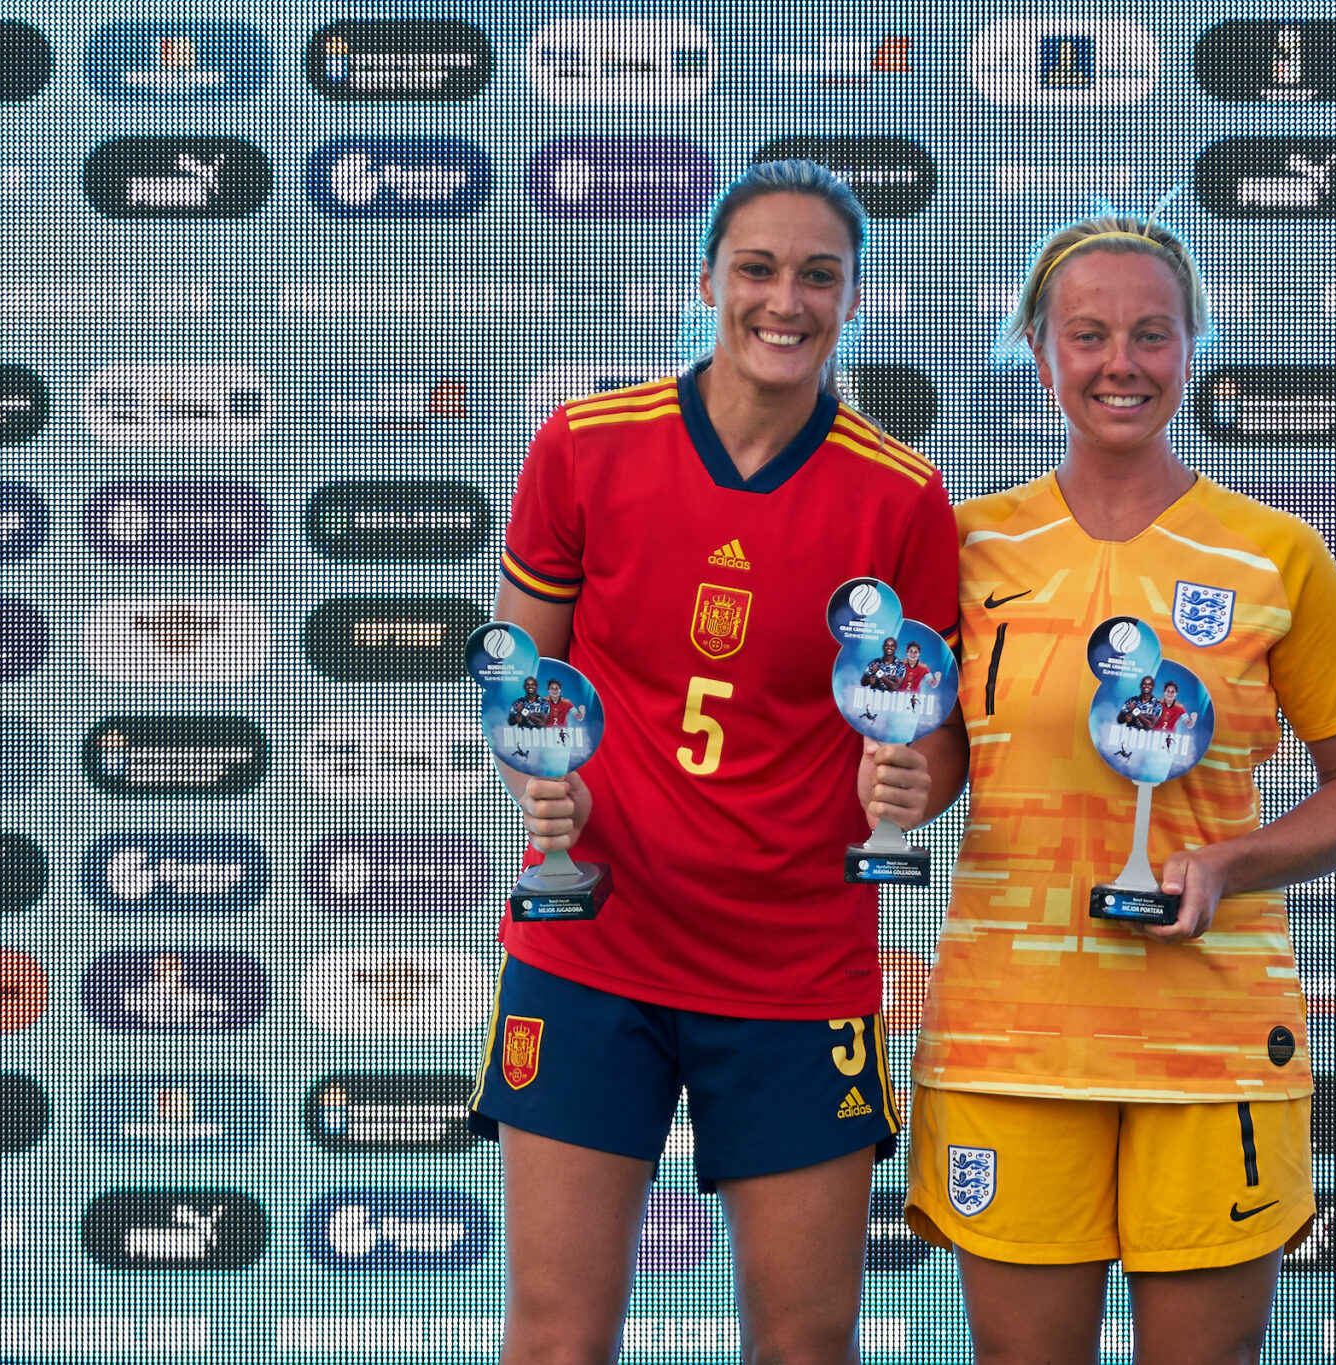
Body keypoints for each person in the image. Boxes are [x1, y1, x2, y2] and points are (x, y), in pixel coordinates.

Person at [467, 160, 965, 1365]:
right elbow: (521, 684)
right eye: (756, 268)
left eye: (816, 275)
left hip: (795, 967)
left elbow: (936, 742)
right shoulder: (585, 445)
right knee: (553, 1336)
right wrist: (539, 776)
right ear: (706, 281)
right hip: (596, 951)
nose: (782, 300)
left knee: (805, 1342)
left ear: (851, 301)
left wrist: (916, 785)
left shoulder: (900, 497)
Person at [894, 215, 1336, 1363]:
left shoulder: (1272, 554)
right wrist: (881, 782)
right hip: (1008, 1043)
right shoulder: (966, 549)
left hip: (1208, 1043)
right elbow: (930, 772)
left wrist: (1232, 862)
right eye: (1086, 335)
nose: (1118, 363)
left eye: (1149, 335)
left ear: (1192, 350)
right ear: (1037, 353)